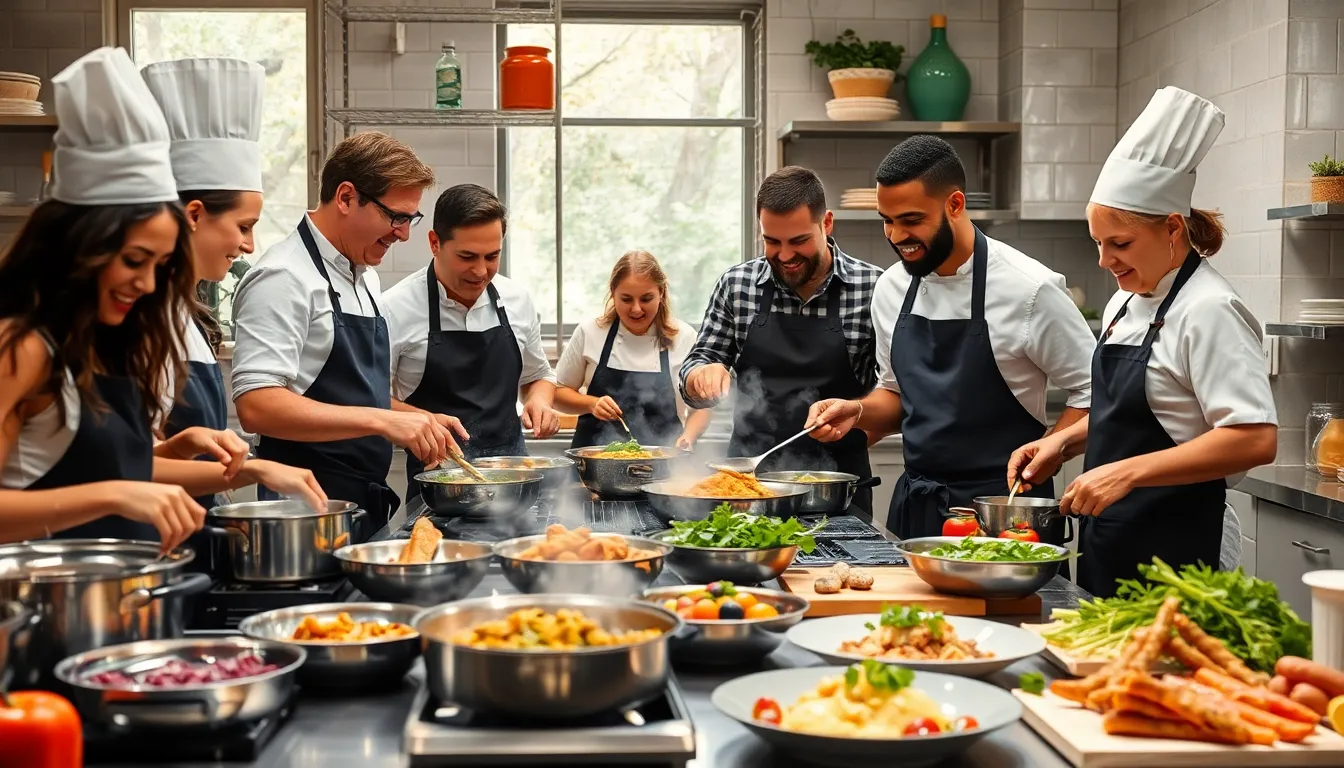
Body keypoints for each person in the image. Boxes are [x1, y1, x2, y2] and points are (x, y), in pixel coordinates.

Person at [0, 48, 310, 552]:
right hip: (49, 592)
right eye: (134, 260)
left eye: (159, 264)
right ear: (82, 245)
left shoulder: (106, 343)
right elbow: (107, 487)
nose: (147, 285)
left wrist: (203, 456)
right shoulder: (22, 348)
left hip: (128, 585)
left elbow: (110, 469)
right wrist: (113, 495)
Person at [1006, 87, 1277, 597]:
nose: (1105, 260)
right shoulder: (1124, 302)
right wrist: (1063, 442)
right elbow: (1133, 417)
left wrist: (1125, 474)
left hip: (1178, 548)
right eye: (1098, 243)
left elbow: (1254, 438)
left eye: (1120, 243)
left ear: (1172, 228)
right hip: (1112, 540)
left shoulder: (1210, 309)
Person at [808, 136, 1095, 542]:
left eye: (911, 220)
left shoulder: (1030, 289)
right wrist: (856, 410)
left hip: (1003, 516)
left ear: (955, 204)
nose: (896, 235)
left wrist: (1052, 450)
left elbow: (1096, 392)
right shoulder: (891, 288)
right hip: (917, 509)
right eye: (887, 220)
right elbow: (896, 394)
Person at [231, 133, 457, 529]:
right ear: (346, 197)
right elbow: (256, 405)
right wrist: (382, 422)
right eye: (397, 217)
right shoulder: (284, 277)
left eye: (410, 219)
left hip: (361, 499)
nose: (404, 234)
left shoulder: (364, 276)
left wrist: (418, 418)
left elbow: (352, 395)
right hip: (305, 510)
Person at [141, 57, 327, 525]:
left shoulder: (184, 316)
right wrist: (251, 471)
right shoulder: (139, 319)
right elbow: (118, 468)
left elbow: (143, 454)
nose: (249, 245)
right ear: (194, 215)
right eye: (244, 226)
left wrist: (195, 449)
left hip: (185, 533)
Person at [681, 166, 883, 516]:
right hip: (746, 488)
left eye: (799, 241)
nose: (785, 256)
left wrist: (863, 423)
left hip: (836, 490)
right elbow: (698, 362)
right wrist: (700, 376)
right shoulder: (737, 285)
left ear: (827, 223)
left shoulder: (874, 288)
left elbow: (896, 392)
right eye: (772, 241)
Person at [384, 184, 558, 503]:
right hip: (438, 488)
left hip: (513, 481)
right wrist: (420, 420)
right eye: (467, 257)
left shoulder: (517, 300)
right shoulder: (394, 309)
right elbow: (371, 399)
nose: (480, 271)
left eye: (492, 257)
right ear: (435, 243)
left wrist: (540, 401)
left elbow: (539, 375)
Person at [555, 250, 713, 451]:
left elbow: (703, 407)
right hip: (594, 464)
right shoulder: (590, 332)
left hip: (664, 463)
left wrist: (688, 438)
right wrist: (591, 404)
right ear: (613, 293)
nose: (636, 309)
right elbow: (557, 394)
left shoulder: (684, 337)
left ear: (661, 293)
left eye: (646, 299)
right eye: (626, 299)